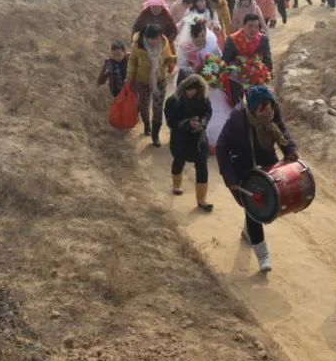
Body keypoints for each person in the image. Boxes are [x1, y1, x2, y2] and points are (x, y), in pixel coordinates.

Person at [216, 85, 299, 272]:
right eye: (262, 112)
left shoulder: (272, 110)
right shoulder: (237, 119)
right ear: (252, 109)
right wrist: (229, 178)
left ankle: (248, 232)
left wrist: (290, 150)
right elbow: (221, 148)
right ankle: (263, 255)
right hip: (243, 167)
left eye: (270, 110)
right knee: (255, 208)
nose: (267, 115)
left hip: (266, 162)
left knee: (259, 206)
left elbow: (282, 131)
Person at [164, 73, 214, 211]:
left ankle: (202, 199)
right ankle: (176, 185)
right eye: (189, 89)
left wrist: (202, 123)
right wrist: (187, 124)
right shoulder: (172, 101)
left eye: (195, 89)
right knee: (179, 160)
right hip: (180, 138)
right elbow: (170, 122)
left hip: (199, 139)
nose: (192, 92)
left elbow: (208, 112)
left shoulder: (203, 98)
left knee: (202, 165)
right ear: (182, 87)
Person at [127, 24, 178, 147]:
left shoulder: (164, 45)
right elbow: (132, 63)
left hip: (160, 80)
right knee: (144, 106)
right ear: (146, 37)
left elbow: (168, 59)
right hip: (143, 81)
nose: (154, 41)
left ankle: (155, 135)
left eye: (157, 38)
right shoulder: (137, 47)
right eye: (151, 38)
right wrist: (129, 79)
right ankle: (146, 125)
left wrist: (176, 59)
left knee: (157, 108)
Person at [221, 14, 273, 105]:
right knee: (237, 103)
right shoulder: (232, 40)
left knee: (257, 101)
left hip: (256, 74)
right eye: (250, 26)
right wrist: (238, 71)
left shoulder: (263, 39)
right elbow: (225, 60)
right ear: (243, 26)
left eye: (256, 26)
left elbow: (267, 59)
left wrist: (267, 73)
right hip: (237, 75)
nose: (253, 29)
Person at [175, 15, 219, 84]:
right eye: (200, 36)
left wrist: (212, 69)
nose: (203, 38)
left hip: (208, 78)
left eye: (204, 35)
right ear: (192, 36)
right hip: (189, 79)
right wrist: (195, 70)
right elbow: (182, 67)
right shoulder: (184, 48)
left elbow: (218, 57)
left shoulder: (210, 42)